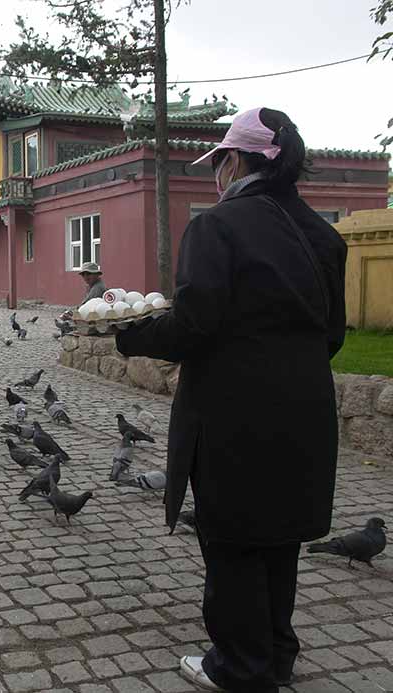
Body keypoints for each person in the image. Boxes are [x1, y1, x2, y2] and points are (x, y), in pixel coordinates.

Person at [115, 107, 345, 693]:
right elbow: (333, 335)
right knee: (280, 539)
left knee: (233, 541)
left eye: (219, 161)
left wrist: (129, 334)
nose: (216, 174)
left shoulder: (217, 227)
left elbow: (194, 325)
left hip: (234, 416)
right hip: (304, 411)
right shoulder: (323, 235)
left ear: (237, 162)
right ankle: (275, 655)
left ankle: (238, 668)